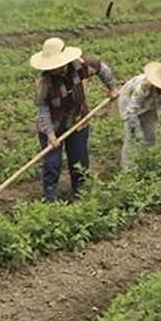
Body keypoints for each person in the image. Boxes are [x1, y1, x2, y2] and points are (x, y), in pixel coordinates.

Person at [31, 37, 117, 202]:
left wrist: (112, 88)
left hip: (78, 120)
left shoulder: (80, 66)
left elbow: (102, 68)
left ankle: (80, 192)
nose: (55, 69)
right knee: (52, 163)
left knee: (79, 159)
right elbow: (42, 109)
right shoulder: (44, 82)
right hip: (53, 125)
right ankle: (50, 198)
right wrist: (50, 135)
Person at [118, 62, 161, 168]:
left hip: (150, 105)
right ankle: (129, 168)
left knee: (150, 135)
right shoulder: (144, 87)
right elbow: (132, 110)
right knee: (133, 136)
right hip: (129, 103)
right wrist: (135, 129)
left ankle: (146, 161)